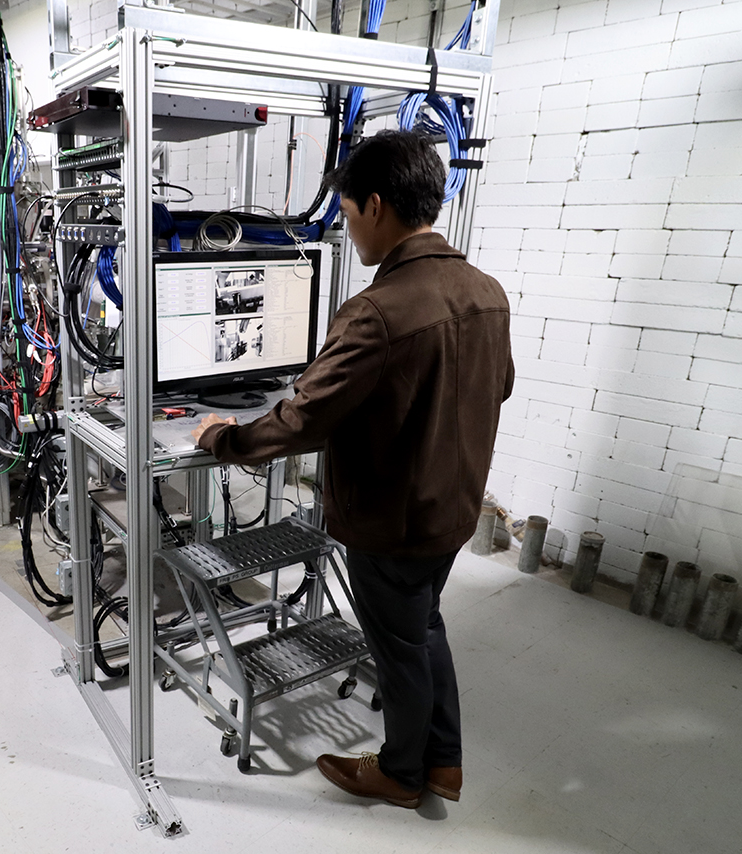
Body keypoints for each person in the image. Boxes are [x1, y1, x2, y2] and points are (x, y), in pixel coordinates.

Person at [193, 130, 513, 809]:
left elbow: (305, 419)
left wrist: (224, 439)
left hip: (389, 520)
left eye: (345, 213)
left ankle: (401, 773)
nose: (346, 227)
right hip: (452, 509)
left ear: (375, 205)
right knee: (423, 627)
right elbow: (498, 385)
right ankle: (445, 763)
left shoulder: (377, 311)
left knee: (400, 646)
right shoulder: (486, 291)